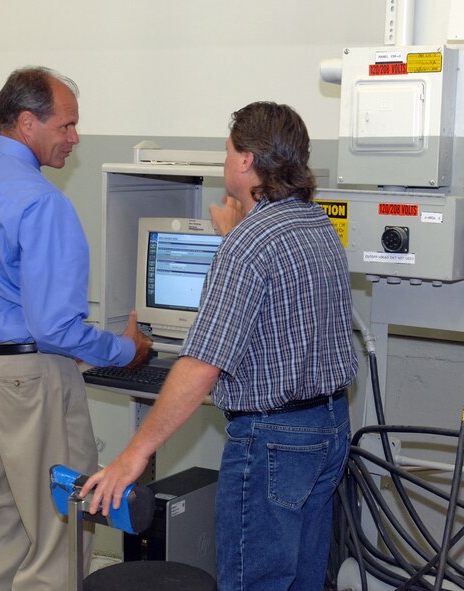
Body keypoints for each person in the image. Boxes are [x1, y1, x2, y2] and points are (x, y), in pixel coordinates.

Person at [82, 101, 358, 590]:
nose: (224, 159)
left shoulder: (250, 245)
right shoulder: (316, 226)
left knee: (256, 582)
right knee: (303, 579)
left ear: (247, 160)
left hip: (272, 440)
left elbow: (200, 367)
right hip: (328, 427)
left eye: (228, 150)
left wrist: (133, 456)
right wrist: (237, 234)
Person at [0, 66, 151, 590]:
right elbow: (56, 329)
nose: (75, 138)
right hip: (29, 379)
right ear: (27, 123)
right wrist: (125, 350)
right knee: (60, 529)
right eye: (67, 126)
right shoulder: (41, 201)